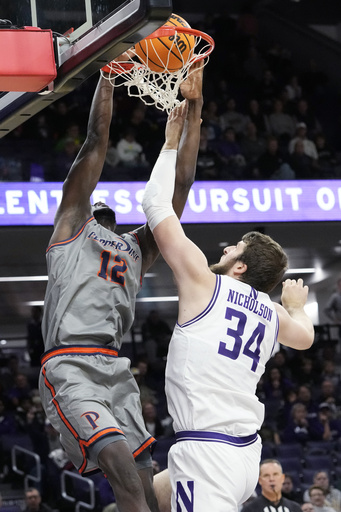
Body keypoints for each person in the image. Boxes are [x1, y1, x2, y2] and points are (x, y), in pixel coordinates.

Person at [38, 57, 204, 512]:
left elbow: (182, 185)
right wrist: (109, 79)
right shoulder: (72, 224)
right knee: (122, 473)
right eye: (101, 212)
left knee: (147, 487)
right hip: (69, 364)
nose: (107, 219)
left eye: (112, 216)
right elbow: (94, 142)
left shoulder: (137, 248)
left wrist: (195, 109)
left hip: (114, 367)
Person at [142, 101, 314, 510]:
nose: (225, 246)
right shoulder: (272, 313)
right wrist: (295, 304)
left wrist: (169, 143)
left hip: (208, 452)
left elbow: (154, 204)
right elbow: (305, 338)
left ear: (240, 267)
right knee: (149, 496)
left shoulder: (205, 283)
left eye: (234, 246)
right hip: (241, 452)